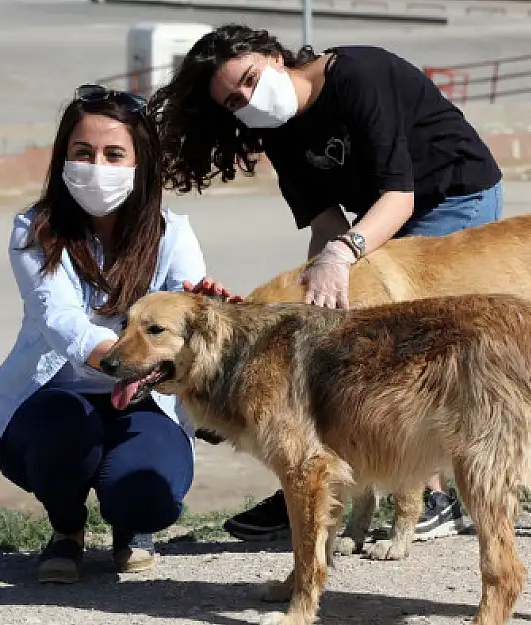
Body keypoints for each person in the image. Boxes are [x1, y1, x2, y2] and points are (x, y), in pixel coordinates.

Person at [149, 24, 504, 544]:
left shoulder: (358, 75)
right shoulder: (275, 129)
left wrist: (343, 255)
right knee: (339, 340)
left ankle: (431, 491)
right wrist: (313, 304)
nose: (247, 98)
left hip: (451, 197)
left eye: (249, 78)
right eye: (233, 100)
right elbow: (325, 224)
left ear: (275, 56)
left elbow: (397, 200)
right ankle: (316, 472)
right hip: (379, 218)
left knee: (409, 342)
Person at [0, 84, 236, 584]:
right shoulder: (34, 230)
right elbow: (62, 321)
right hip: (54, 400)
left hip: (146, 402)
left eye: (114, 154)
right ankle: (66, 527)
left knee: (148, 497)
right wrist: (126, 358)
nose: (96, 167)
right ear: (63, 157)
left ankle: (133, 528)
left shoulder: (172, 233)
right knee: (63, 432)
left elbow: (190, 313)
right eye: (82, 153)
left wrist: (209, 306)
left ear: (140, 163)